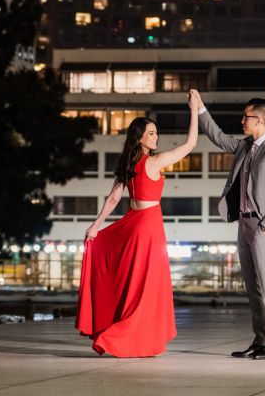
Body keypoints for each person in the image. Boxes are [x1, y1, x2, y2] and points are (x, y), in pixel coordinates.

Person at [75, 95, 199, 357]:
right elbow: (190, 144)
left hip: (132, 223)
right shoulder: (153, 162)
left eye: (156, 133)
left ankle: (134, 334)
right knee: (146, 284)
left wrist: (96, 226)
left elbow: (113, 199)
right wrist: (194, 111)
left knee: (132, 281)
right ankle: (123, 336)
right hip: (149, 227)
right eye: (151, 134)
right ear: (140, 138)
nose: (156, 137)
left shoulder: (128, 164)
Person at [190, 89, 265, 360]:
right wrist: (200, 109)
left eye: (246, 117)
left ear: (258, 120)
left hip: (262, 227)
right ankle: (261, 340)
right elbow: (219, 137)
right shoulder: (245, 146)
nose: (242, 121)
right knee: (252, 286)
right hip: (243, 225)